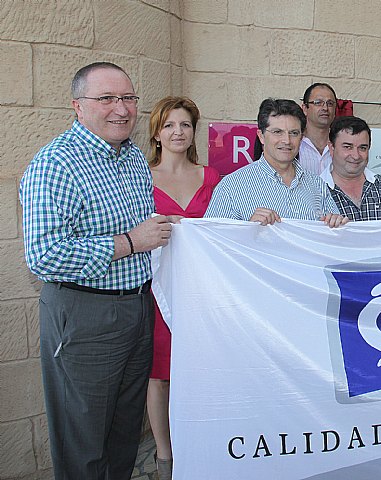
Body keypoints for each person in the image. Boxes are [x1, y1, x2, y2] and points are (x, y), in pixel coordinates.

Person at [20, 62, 174, 480]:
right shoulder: (56, 165)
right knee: (83, 440)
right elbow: (44, 255)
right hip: (84, 315)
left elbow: (149, 229)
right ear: (78, 106)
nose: (121, 109)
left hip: (135, 310)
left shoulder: (134, 161)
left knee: (124, 433)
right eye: (106, 99)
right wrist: (128, 243)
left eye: (128, 98)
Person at [146, 96, 220, 480]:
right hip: (158, 290)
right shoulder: (139, 176)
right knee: (160, 373)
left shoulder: (211, 177)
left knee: (203, 368)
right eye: (170, 125)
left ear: (194, 132)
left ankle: (202, 443)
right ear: (157, 132)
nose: (178, 132)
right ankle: (164, 455)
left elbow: (225, 228)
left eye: (185, 125)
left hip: (202, 292)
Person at [204, 98, 347, 227]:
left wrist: (336, 224)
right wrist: (248, 230)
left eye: (294, 133)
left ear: (301, 137)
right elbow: (212, 242)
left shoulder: (317, 184)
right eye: (277, 132)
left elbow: (334, 238)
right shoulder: (231, 187)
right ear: (261, 136)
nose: (286, 140)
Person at [298, 82, 338, 174]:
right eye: (318, 103)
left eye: (330, 103)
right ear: (304, 108)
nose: (325, 108)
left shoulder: (341, 145)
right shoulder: (294, 144)